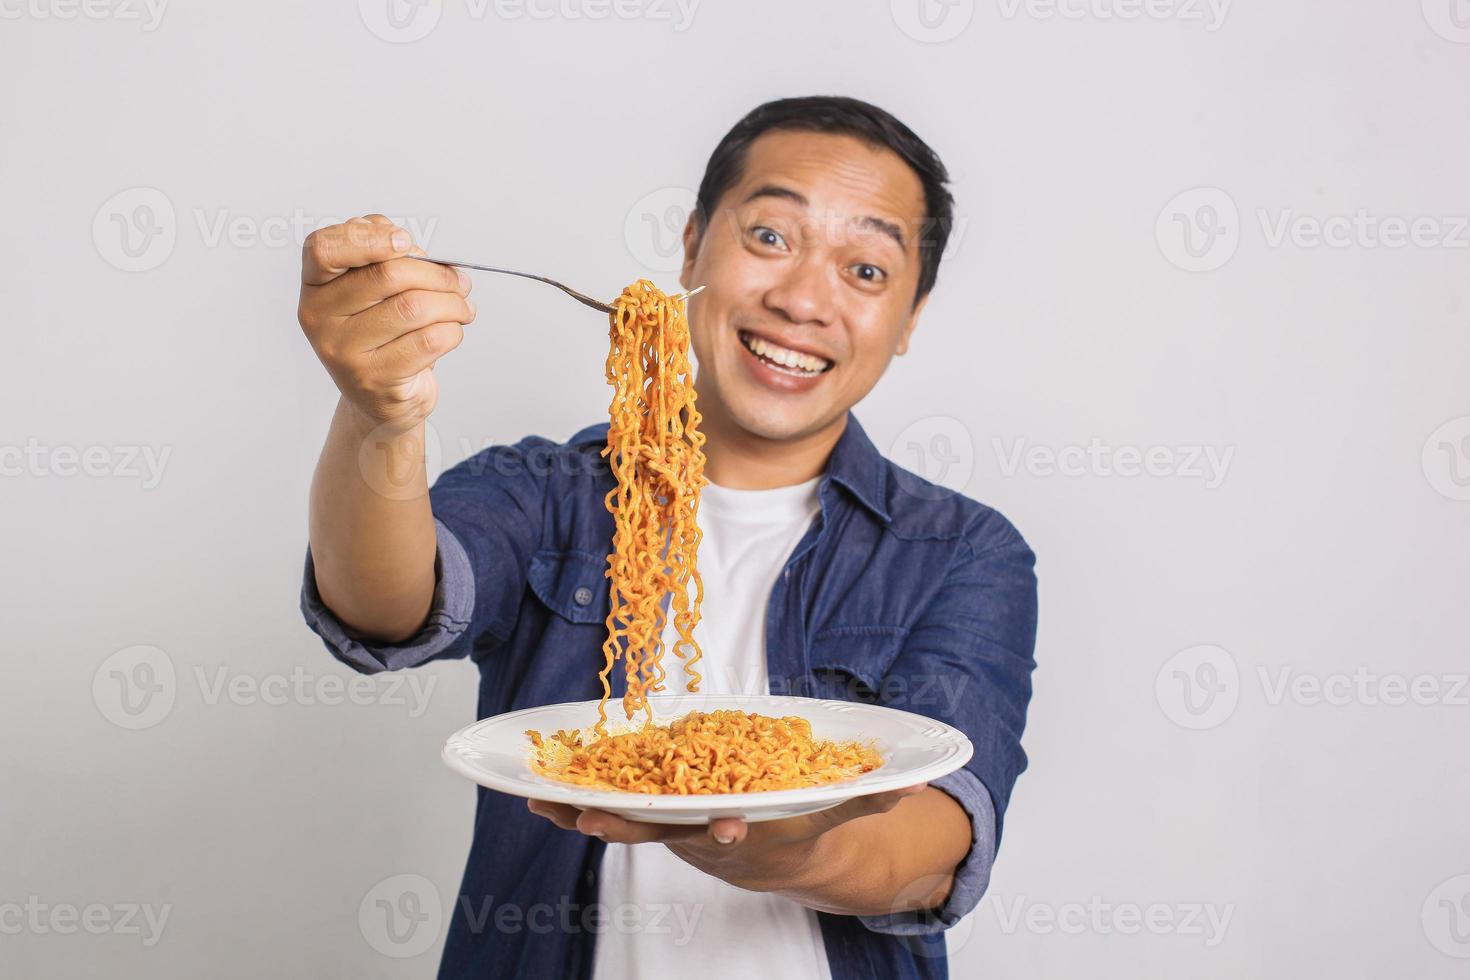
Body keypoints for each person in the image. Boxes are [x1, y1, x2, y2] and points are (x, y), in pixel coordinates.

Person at [297, 95, 1038, 980]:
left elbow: (934, 848)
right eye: (770, 236)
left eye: (868, 271)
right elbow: (382, 603)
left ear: (910, 318)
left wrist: (766, 847)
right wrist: (380, 418)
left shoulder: (961, 551)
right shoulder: (549, 494)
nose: (804, 299)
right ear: (692, 245)